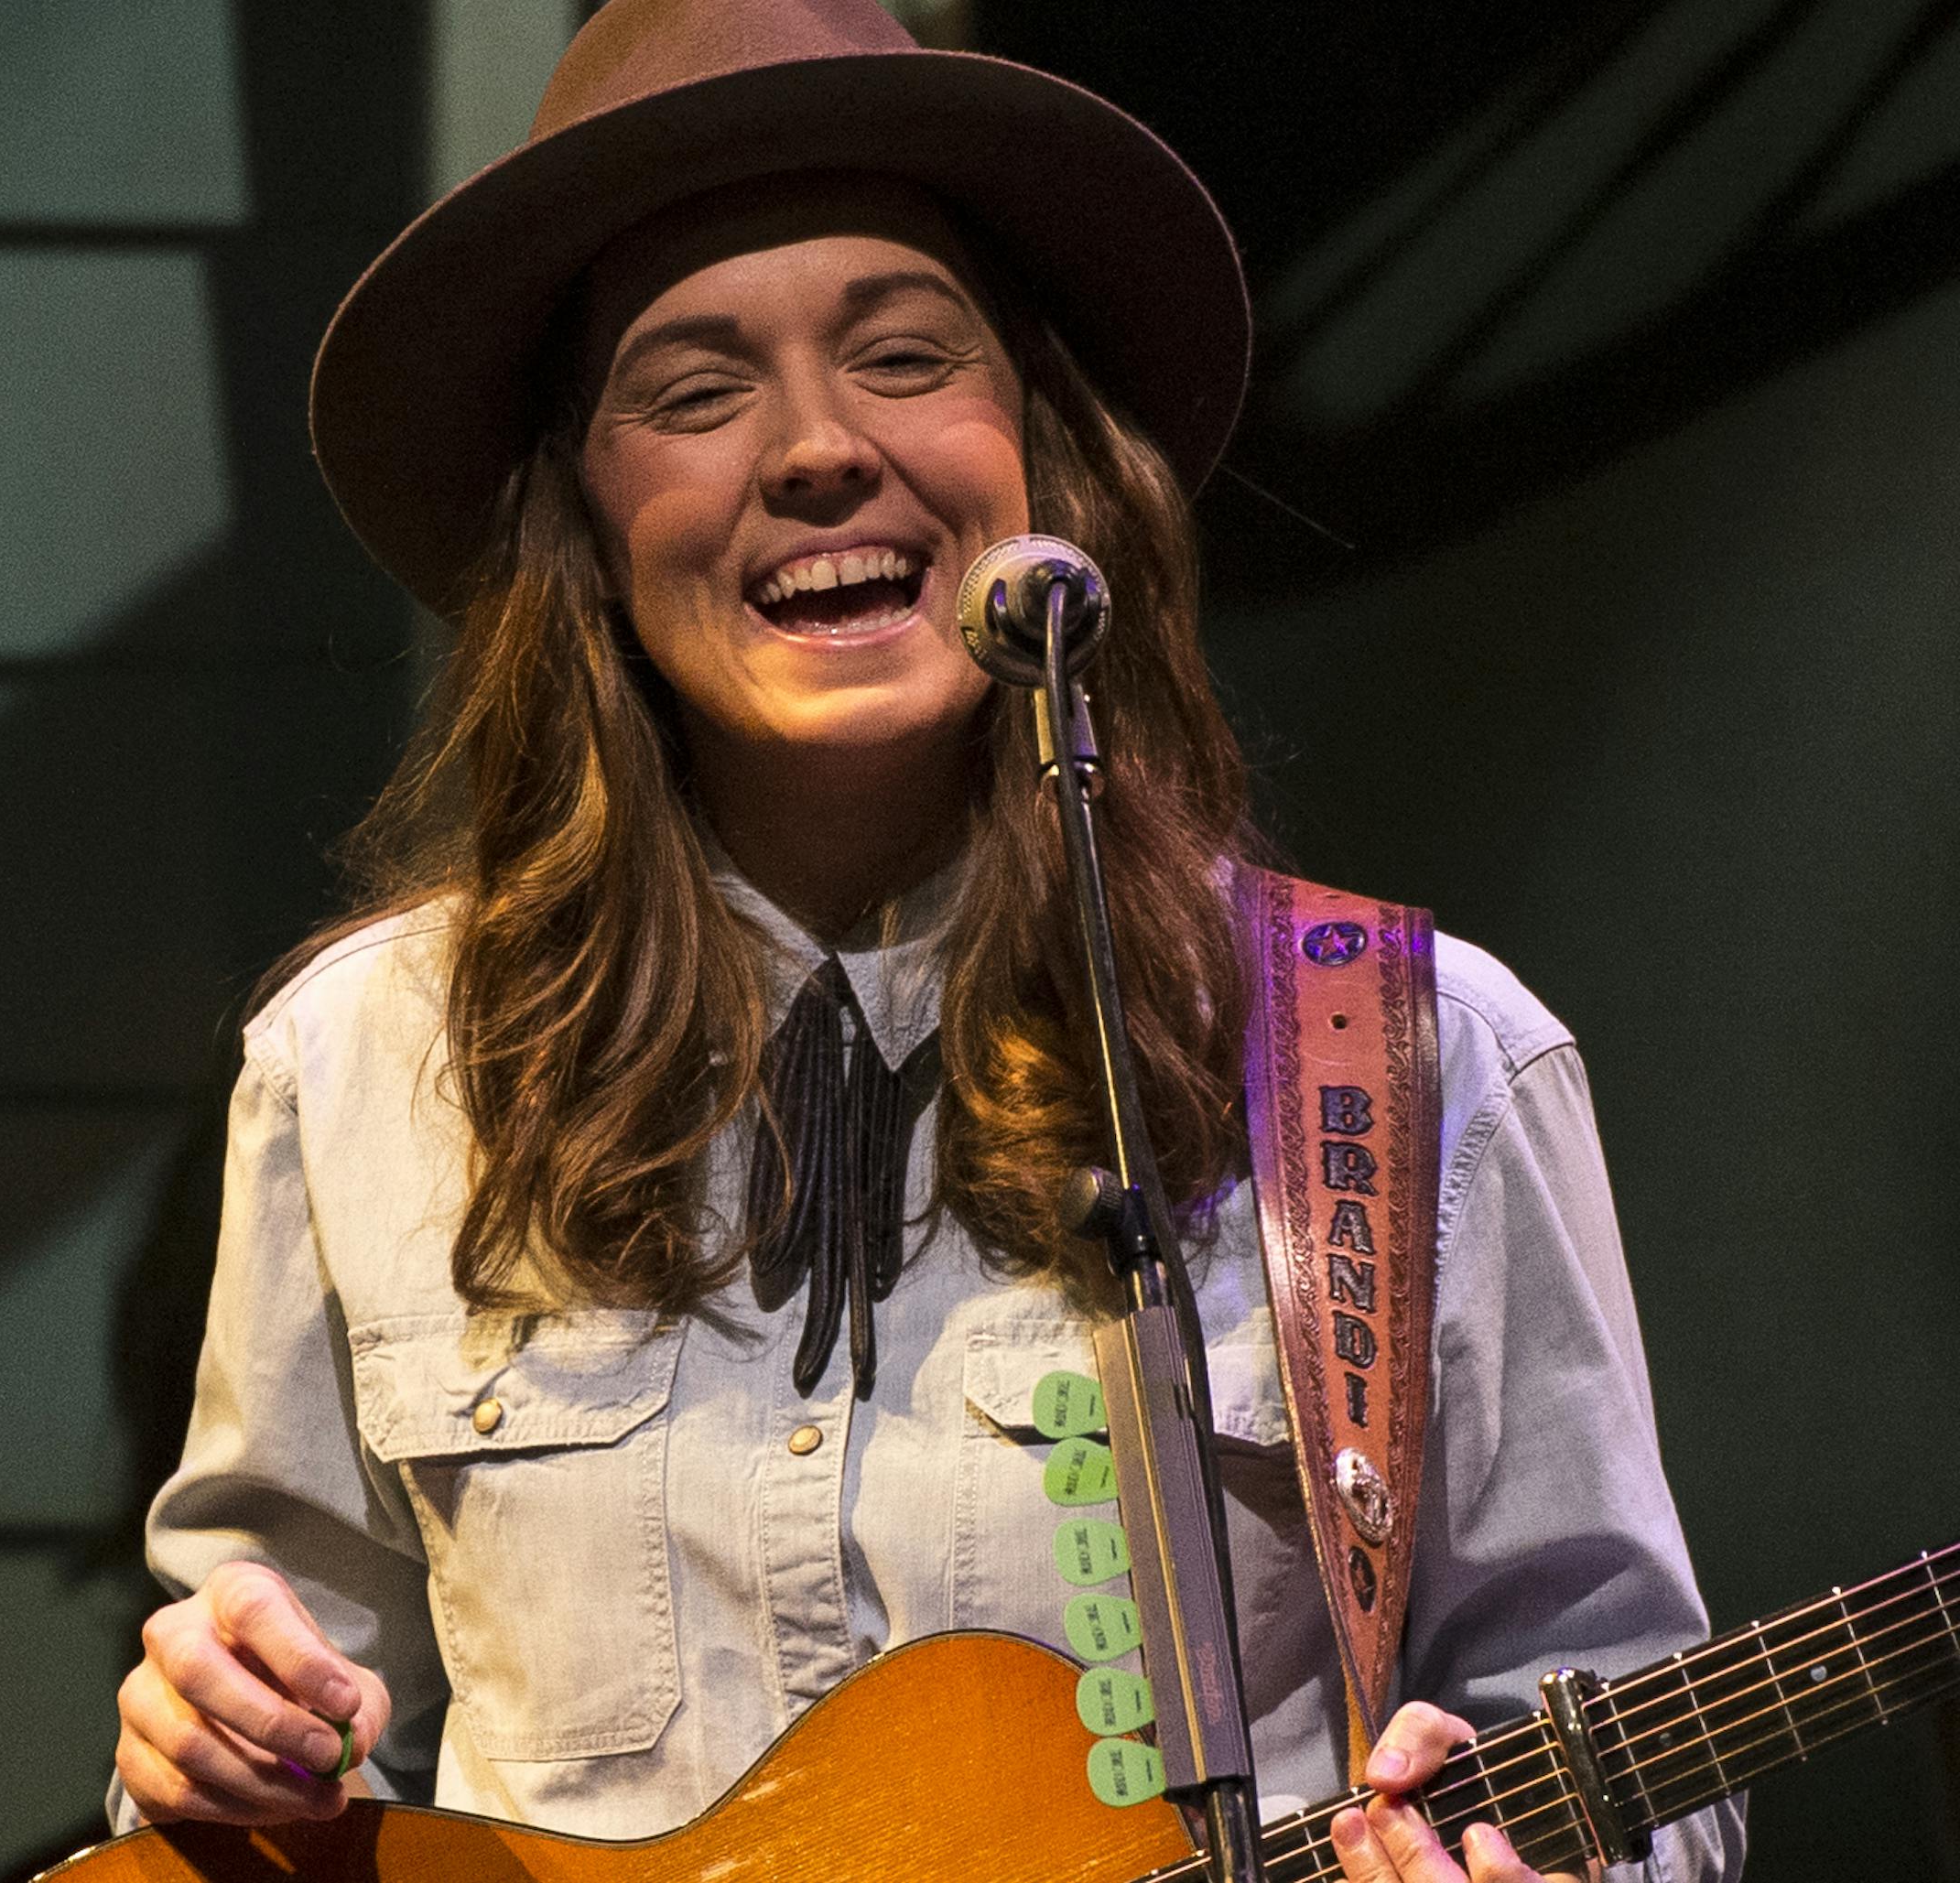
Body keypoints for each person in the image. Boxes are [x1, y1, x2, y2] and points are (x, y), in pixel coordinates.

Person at [107, 3, 1743, 1879]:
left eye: (904, 356)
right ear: (583, 519)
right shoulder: (357, 1066)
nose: (817, 450)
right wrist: (211, 1742)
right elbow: (251, 1773)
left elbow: (1638, 1740)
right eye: (695, 390)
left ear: (1047, 458)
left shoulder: (1410, 1056)